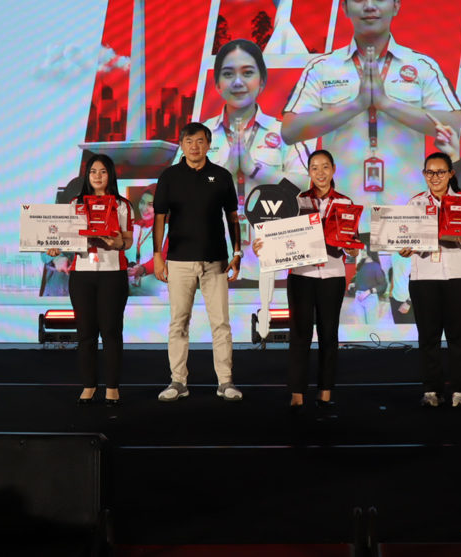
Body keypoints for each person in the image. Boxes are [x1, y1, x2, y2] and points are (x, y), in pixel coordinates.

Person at [281, 0, 461, 322]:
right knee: (340, 322)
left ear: (396, 5)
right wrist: (354, 105)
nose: (369, 6)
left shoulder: (421, 66)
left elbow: (452, 122)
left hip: (406, 212)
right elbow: (290, 129)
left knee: (413, 321)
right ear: (345, 6)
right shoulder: (322, 68)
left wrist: (386, 103)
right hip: (342, 212)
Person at [182, 39, 311, 317]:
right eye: (228, 74)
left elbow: (309, 187)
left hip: (275, 263)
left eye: (248, 73)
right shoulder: (197, 135)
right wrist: (225, 170)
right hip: (211, 260)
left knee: (273, 331)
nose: (238, 82)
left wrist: (255, 170)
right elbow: (177, 194)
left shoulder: (284, 134)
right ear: (217, 84)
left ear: (262, 81)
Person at [252, 149, 358, 410]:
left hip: (332, 274)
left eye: (325, 167)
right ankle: (297, 393)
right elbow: (277, 233)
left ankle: (325, 391)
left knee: (328, 335)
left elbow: (352, 245)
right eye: (314, 168)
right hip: (301, 275)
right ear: (308, 172)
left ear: (333, 170)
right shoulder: (296, 201)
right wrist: (263, 245)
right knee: (300, 335)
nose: (320, 172)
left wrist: (353, 250)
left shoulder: (345, 203)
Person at [153, 122, 244, 402]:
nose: (195, 146)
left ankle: (225, 381)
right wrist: (157, 256)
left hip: (216, 262)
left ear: (208, 144)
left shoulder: (222, 176)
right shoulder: (169, 176)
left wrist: (237, 253)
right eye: (189, 141)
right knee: (178, 323)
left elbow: (232, 217)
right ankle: (178, 381)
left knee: (221, 324)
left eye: (200, 141)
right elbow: (159, 218)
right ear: (182, 144)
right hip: (179, 261)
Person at [399, 152, 461, 408]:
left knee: (459, 336)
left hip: (460, 275)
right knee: (428, 337)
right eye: (429, 172)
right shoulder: (415, 203)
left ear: (450, 174)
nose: (434, 177)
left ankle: (459, 391)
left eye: (440, 172)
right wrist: (404, 248)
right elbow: (404, 237)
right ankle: (431, 391)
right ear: (424, 174)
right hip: (424, 277)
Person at [47, 153, 134, 407]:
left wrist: (116, 242)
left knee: (111, 332)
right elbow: (64, 238)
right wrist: (54, 247)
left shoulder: (122, 205)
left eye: (103, 171)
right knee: (86, 333)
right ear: (87, 175)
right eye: (93, 171)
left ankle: (112, 388)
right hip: (82, 274)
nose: (97, 176)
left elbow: (128, 241)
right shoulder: (75, 204)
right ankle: (89, 385)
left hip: (112, 274)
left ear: (111, 175)